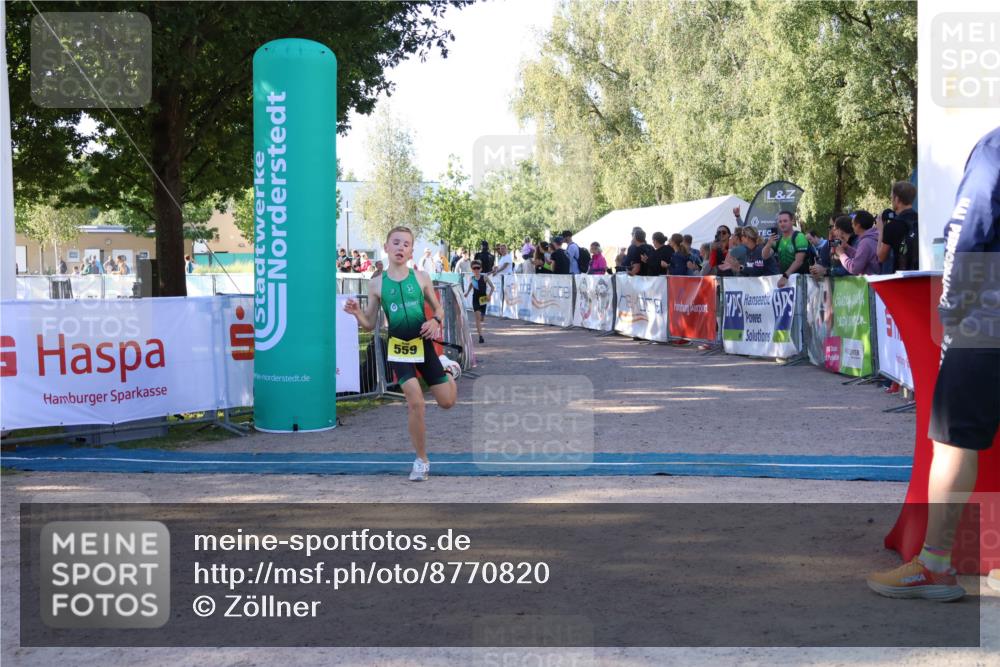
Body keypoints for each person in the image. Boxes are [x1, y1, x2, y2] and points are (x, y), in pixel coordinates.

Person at [867, 126, 1000, 600]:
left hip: (988, 317)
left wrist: (952, 311)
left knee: (952, 441)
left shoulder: (994, 148)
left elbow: (967, 232)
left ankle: (935, 564)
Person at [343, 226, 458, 482]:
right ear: (386, 247)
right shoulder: (376, 283)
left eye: (406, 244)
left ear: (411, 251)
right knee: (416, 402)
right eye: (396, 243)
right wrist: (357, 313)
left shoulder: (422, 278)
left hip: (423, 345)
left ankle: (448, 369)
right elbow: (369, 323)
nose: (400, 247)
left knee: (447, 402)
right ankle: (421, 461)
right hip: (398, 349)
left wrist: (435, 321)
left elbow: (439, 309)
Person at [877, 181, 919, 273]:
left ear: (897, 199)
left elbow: (880, 257)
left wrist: (880, 231)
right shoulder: (921, 220)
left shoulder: (892, 226)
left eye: (891, 197)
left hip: (902, 276)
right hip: (922, 274)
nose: (891, 200)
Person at [761, 210, 809, 288]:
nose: (782, 224)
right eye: (780, 222)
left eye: (785, 221)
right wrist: (768, 244)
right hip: (786, 282)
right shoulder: (779, 239)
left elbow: (799, 261)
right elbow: (764, 256)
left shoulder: (799, 237)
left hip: (801, 281)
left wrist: (785, 276)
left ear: (792, 221)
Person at [834, 210, 880, 276]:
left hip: (871, 280)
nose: (852, 226)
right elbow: (861, 257)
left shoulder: (865, 242)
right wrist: (848, 248)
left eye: (852, 224)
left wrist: (841, 254)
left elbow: (854, 268)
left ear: (858, 225)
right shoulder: (870, 238)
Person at [463, 260, 494, 344]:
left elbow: (492, 287)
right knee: (477, 318)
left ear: (481, 269)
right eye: (474, 268)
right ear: (472, 270)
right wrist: (467, 292)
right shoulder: (472, 278)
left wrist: (489, 295)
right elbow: (471, 285)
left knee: (481, 318)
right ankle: (480, 336)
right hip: (475, 299)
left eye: (478, 268)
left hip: (483, 299)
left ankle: (483, 316)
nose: (476, 270)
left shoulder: (484, 277)